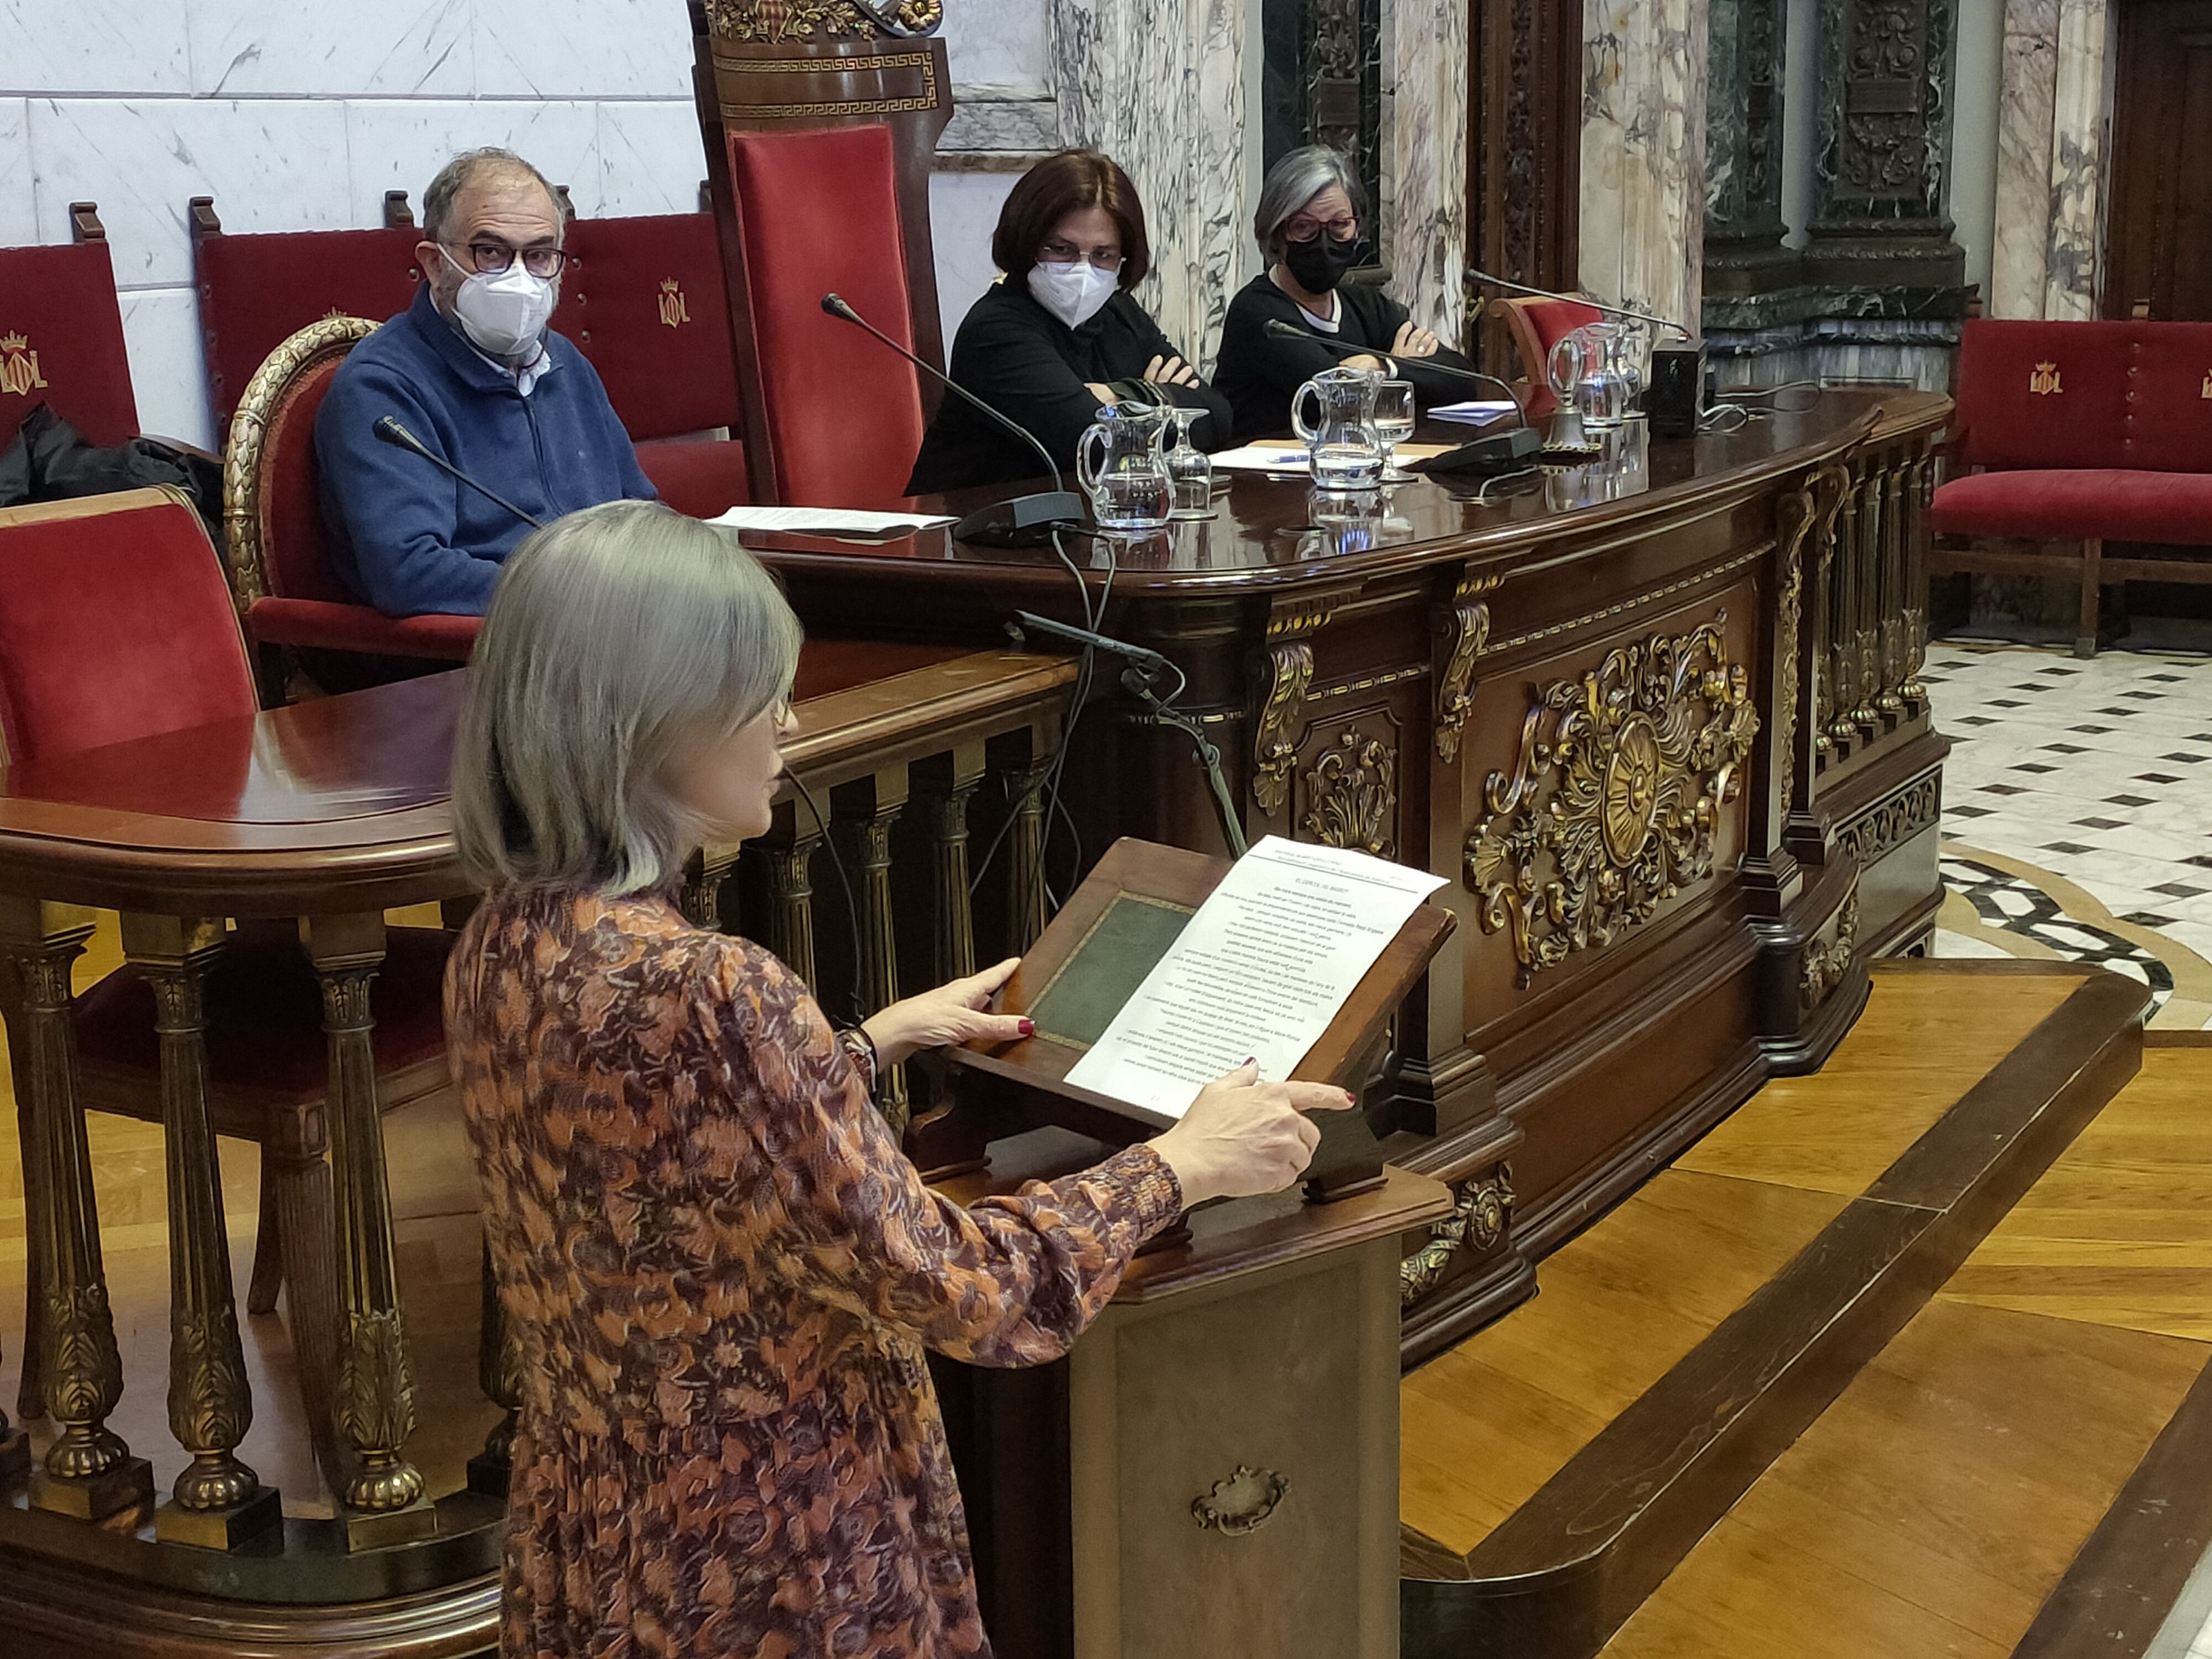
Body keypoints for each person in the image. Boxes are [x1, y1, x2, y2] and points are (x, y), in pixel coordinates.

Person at [445, 499, 1348, 1658]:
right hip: (773, 1551)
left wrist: (860, 1049)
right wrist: (1178, 1164)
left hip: (599, 1527)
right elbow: (966, 1291)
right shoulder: (715, 996)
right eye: (748, 689)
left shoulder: (501, 943)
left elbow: (660, 1175)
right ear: (641, 723)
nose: (783, 717)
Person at [316, 148, 654, 618]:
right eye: (490, 252)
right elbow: (408, 572)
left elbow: (640, 513)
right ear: (434, 264)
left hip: (605, 631)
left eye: (538, 255)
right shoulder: (383, 389)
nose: (518, 278)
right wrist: (577, 600)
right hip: (490, 653)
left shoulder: (565, 363)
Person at [906, 149, 1232, 495]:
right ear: (1027, 242)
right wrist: (1161, 402)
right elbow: (1093, 445)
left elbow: (1217, 416)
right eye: (1061, 250)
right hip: (969, 534)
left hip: (1081, 528)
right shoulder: (996, 330)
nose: (1082, 269)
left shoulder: (1120, 313)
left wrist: (1117, 394)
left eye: (1102, 256)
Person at [1213, 146, 1481, 442]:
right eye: (1304, 227)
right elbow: (1334, 397)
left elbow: (1462, 379)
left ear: (1357, 228)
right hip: (1263, 483)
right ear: (1276, 233)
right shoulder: (1259, 312)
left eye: (1340, 226)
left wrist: (1385, 366)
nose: (1324, 241)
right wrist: (1405, 373)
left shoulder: (1368, 306)